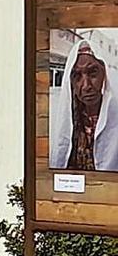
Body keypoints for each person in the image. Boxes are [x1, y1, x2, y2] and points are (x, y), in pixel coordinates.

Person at [50, 39, 118, 171]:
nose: (86, 86)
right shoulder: (66, 120)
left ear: (105, 75)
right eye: (77, 76)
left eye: (93, 73)